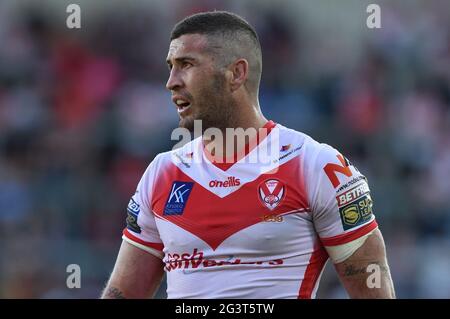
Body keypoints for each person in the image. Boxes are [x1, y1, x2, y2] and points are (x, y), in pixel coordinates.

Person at [101, 11, 396, 299]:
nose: (172, 81)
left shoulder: (316, 165)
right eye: (171, 67)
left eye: (186, 64)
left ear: (236, 73)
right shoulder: (161, 173)